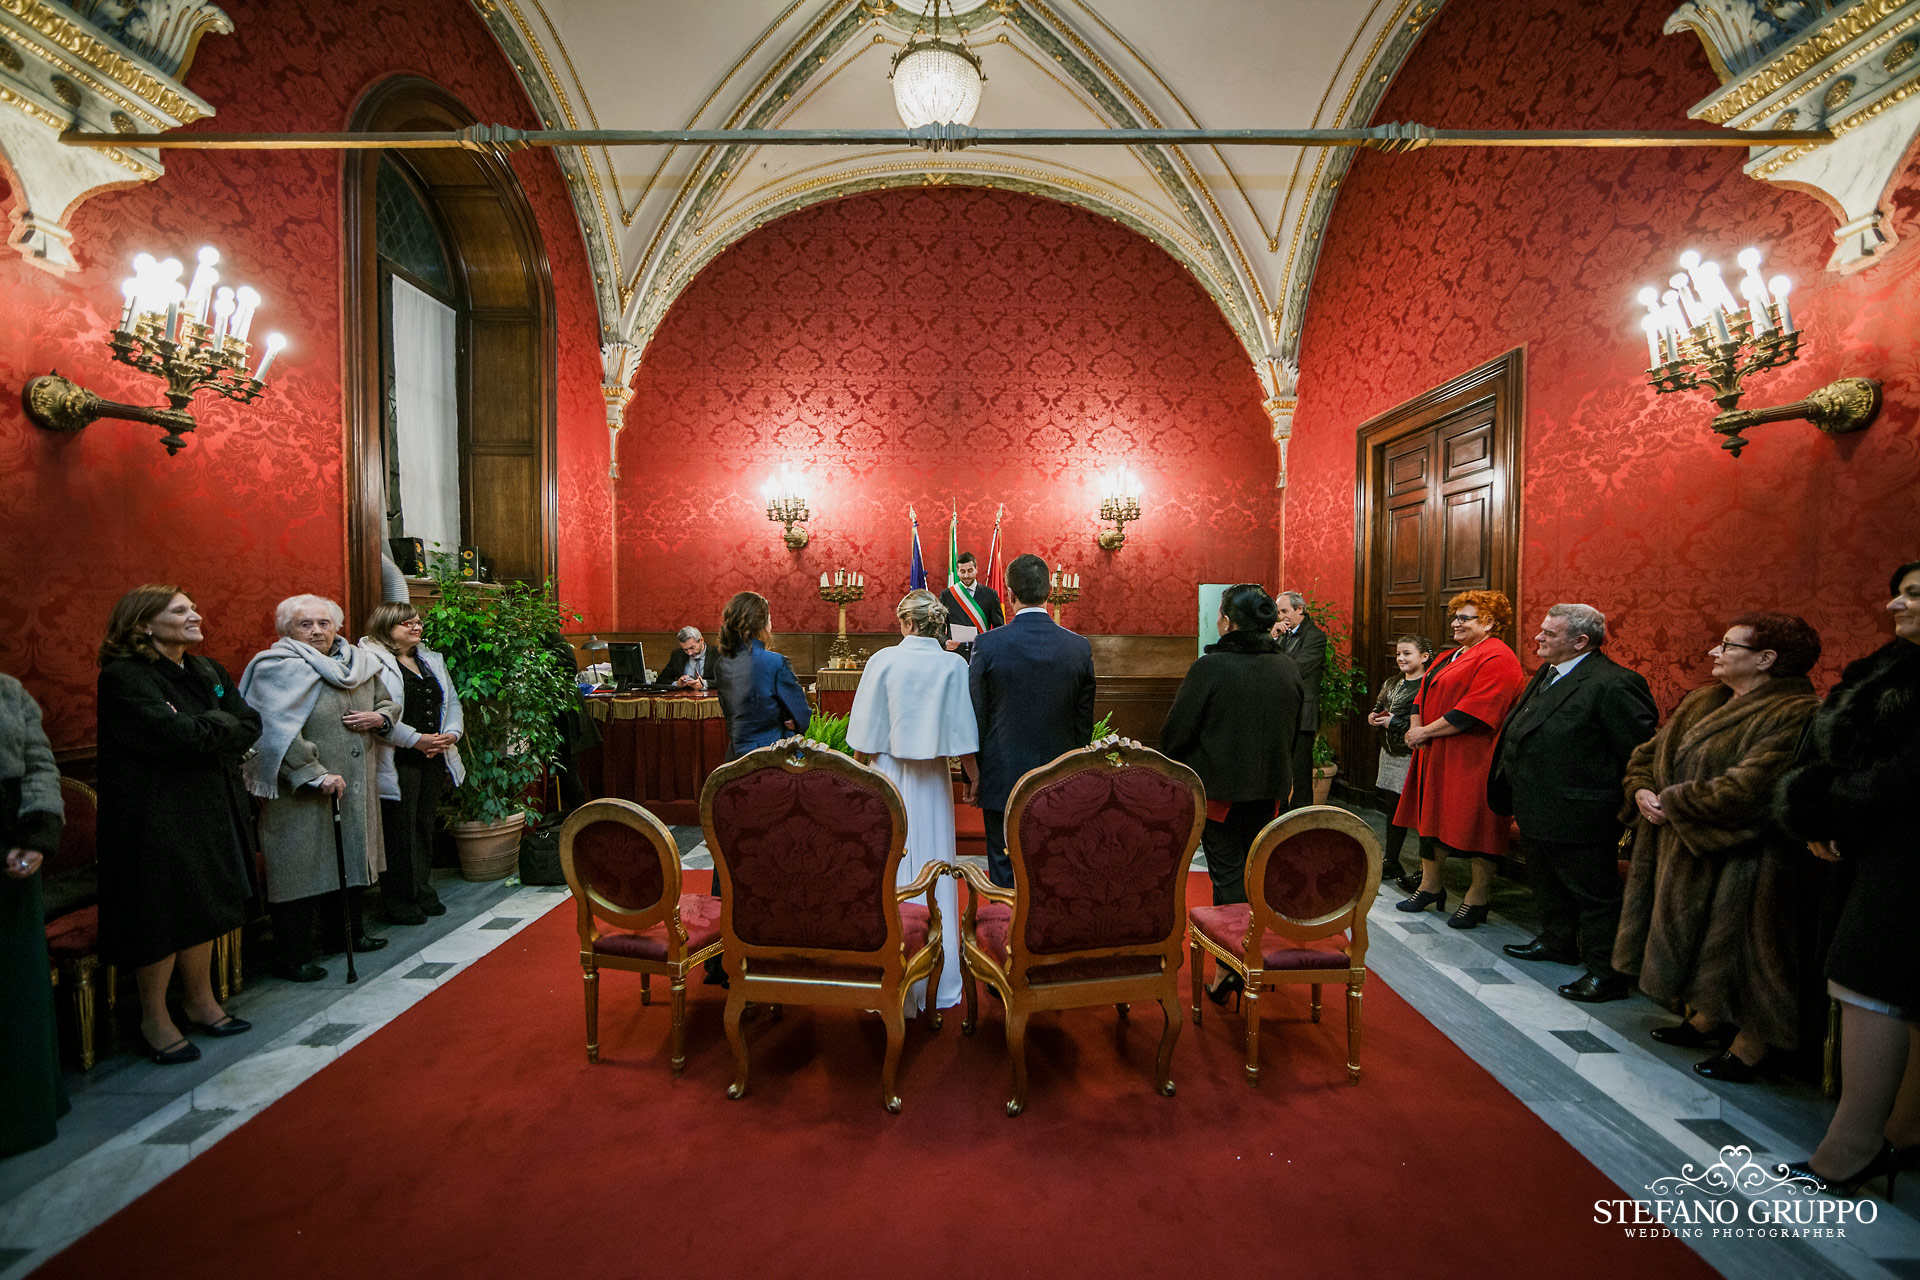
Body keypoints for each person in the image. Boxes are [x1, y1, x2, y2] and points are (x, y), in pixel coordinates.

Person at [1613, 612, 1821, 1074]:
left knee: (1748, 947)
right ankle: (1707, 1016)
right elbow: (1647, 754)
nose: (1715, 652)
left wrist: (1673, 802)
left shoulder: (1797, 713)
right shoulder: (1706, 699)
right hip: (1681, 843)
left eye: (1728, 646)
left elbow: (1755, 787)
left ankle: (1755, 1042)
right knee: (1698, 936)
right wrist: (1642, 789)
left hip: (1746, 852)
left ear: (1766, 659)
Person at [1773, 563, 1920, 1193]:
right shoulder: (1893, 665)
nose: (1896, 604)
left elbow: (1903, 771)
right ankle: (1904, 1135)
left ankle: (1852, 1146)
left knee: (1868, 986)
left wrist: (1835, 810)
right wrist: (1816, 810)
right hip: (1879, 842)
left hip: (1906, 849)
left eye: (1914, 594)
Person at [96, 586, 260, 1064]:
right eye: (181, 610)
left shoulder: (206, 669)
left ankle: (200, 1001)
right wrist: (214, 725)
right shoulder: (126, 676)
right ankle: (154, 1017)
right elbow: (170, 735)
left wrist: (204, 725)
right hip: (153, 815)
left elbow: (249, 722)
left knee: (203, 904)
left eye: (193, 606)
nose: (196, 614)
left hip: (209, 804)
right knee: (161, 914)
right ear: (144, 624)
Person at [1489, 604, 1658, 1003]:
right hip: (1536, 803)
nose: (1538, 638)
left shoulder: (1614, 683)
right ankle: (1557, 940)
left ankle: (1607, 974)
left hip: (1583, 811)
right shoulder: (1549, 673)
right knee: (1547, 882)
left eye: (1549, 633)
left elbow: (1639, 752)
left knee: (1594, 895)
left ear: (1580, 641)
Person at [1161, 583, 1305, 1005]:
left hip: (1221, 791)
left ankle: (1233, 965)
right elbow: (1294, 731)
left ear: (1226, 620)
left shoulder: (1211, 667)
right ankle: (1255, 955)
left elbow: (1176, 733)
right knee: (1257, 872)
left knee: (1227, 878)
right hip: (1272, 790)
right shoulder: (1286, 668)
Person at [241, 595, 398, 982]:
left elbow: (387, 703)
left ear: (337, 627)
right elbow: (272, 729)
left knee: (349, 859)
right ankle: (292, 955)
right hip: (302, 788)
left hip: (354, 782)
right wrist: (311, 770)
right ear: (286, 630)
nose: (317, 631)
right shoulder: (275, 667)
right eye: (305, 624)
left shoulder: (359, 664)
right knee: (301, 868)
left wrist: (380, 716)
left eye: (324, 623)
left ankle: (346, 935)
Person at [847, 589, 979, 1012]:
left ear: (905, 623)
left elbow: (864, 730)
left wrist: (856, 777)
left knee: (888, 865)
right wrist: (973, 778)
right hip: (930, 779)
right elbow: (961, 732)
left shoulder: (882, 660)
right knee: (936, 863)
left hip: (886, 776)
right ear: (936, 625)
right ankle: (938, 977)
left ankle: (889, 971)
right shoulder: (952, 664)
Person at [1394, 589, 1526, 929]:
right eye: (1455, 617)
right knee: (1430, 820)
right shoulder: (1447, 656)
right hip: (1434, 755)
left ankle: (1476, 898)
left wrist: (1425, 733)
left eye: (1464, 617)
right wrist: (1415, 729)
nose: (1455, 622)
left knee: (1477, 826)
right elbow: (1419, 696)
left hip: (1473, 758)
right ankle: (1429, 887)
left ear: (1490, 622)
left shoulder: (1499, 658)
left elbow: (1475, 711)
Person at [968, 553, 1096, 889]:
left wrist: (976, 773)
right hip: (1061, 775)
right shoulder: (1078, 648)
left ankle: (1001, 936)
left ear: (1009, 594)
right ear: (1050, 591)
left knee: (1003, 865)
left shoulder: (988, 644)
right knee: (1055, 862)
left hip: (1002, 772)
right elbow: (1084, 723)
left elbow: (977, 715)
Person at [360, 602, 465, 926]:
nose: (417, 627)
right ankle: (401, 900)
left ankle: (422, 889)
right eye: (408, 624)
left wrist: (451, 734)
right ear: (387, 627)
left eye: (418, 622)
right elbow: (374, 711)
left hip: (434, 754)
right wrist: (415, 739)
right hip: (397, 755)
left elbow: (452, 702)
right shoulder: (370, 661)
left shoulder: (431, 659)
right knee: (399, 831)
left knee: (423, 826)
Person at [2, 674, 66, 1154]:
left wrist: (38, 832)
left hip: (14, 848)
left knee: (15, 985)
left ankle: (23, 1110)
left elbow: (39, 765)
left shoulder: (7, 690)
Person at [1368, 634, 1435, 889]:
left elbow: (1425, 724)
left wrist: (1393, 722)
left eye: (1407, 653)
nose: (1400, 658)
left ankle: (1424, 870)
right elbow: (1380, 706)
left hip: (1412, 755)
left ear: (1424, 657)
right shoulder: (1393, 681)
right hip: (1389, 753)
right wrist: (1374, 716)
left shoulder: (1428, 685)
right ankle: (1391, 859)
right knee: (1393, 810)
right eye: (1398, 654)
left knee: (1419, 813)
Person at [712, 592, 811, 758]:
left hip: (736, 756)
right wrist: (789, 719)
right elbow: (802, 717)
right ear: (762, 624)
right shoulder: (776, 662)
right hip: (775, 756)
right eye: (769, 619)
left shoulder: (721, 664)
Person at [1273, 590, 1326, 812]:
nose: (1281, 616)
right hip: (1282, 710)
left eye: (1285, 611)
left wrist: (1273, 661)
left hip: (1303, 712)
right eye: (1278, 612)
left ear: (1300, 609)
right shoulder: (1282, 634)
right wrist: (1273, 638)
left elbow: (1298, 668)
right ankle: (1280, 812)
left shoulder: (1315, 636)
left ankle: (1301, 816)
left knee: (1300, 770)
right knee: (1279, 768)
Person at [939, 551, 1004, 663]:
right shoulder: (947, 595)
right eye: (962, 571)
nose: (966, 576)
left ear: (976, 569)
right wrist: (945, 641)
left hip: (982, 653)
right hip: (955, 655)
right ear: (957, 572)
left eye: (970, 571)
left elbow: (999, 627)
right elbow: (938, 627)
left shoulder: (990, 595)